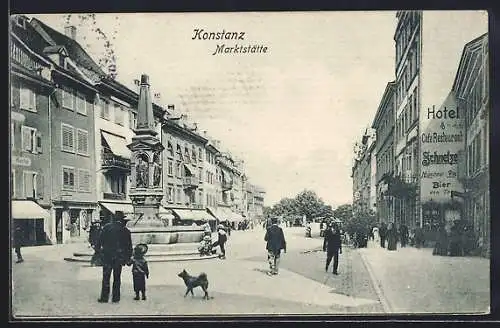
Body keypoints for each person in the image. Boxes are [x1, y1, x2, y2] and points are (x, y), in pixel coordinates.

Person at [95, 211, 133, 303]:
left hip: (107, 256)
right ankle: (116, 298)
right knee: (117, 278)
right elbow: (129, 246)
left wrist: (99, 252)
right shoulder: (125, 230)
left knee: (106, 277)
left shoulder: (107, 227)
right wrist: (127, 258)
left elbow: (99, 242)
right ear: (122, 219)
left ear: (114, 218)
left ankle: (104, 297)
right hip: (119, 257)